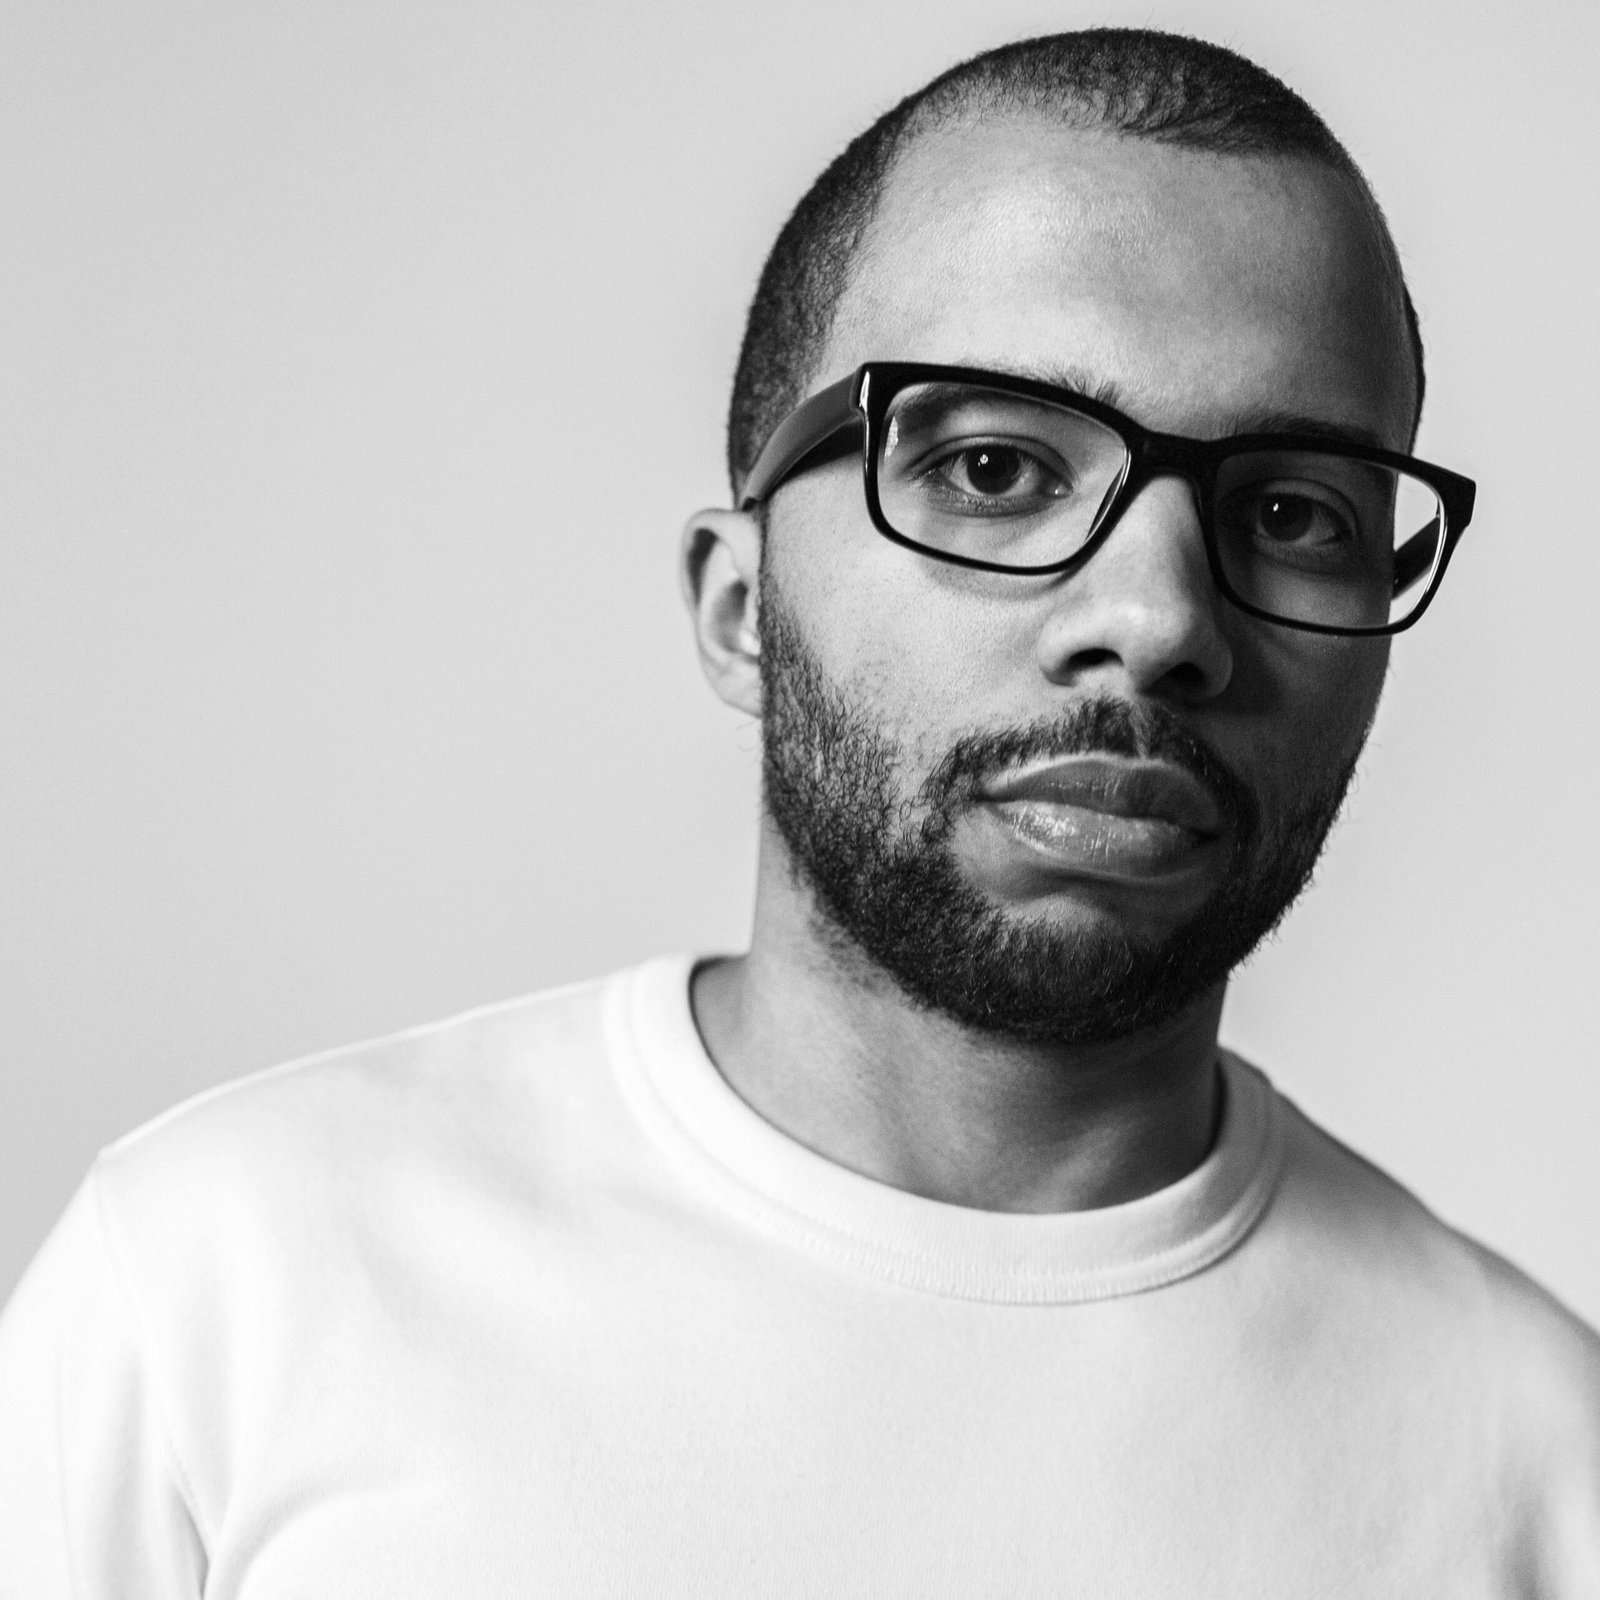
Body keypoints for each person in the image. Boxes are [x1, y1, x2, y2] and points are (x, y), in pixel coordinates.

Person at [2, 27, 1596, 1597]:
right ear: (742, 604)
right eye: (992, 469)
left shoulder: (1542, 1467)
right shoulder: (217, 1287)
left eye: (1294, 510)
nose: (1161, 614)